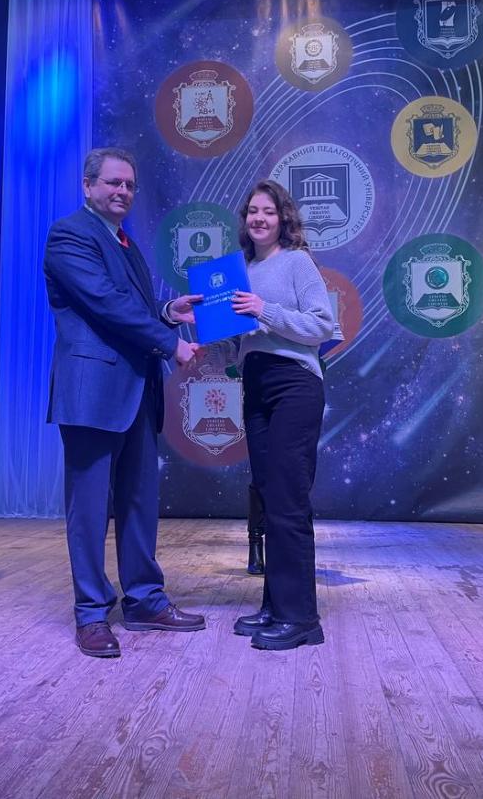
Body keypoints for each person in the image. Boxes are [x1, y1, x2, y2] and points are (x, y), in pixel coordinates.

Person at [44, 147, 206, 659]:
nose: (123, 192)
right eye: (114, 182)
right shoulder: (69, 234)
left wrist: (168, 310)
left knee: (139, 502)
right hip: (92, 389)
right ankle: (92, 614)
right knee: (90, 508)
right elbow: (105, 304)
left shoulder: (125, 242)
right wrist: (171, 342)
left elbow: (131, 304)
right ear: (87, 185)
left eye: (130, 185)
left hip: (137, 388)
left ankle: (144, 601)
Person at [227, 179, 334, 651]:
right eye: (253, 211)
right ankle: (275, 605)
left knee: (289, 499)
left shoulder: (297, 262)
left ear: (282, 218)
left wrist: (264, 309)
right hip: (256, 383)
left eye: (268, 211)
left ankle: (302, 618)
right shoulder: (240, 269)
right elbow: (244, 335)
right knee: (270, 498)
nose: (259, 218)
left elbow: (322, 325)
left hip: (294, 383)